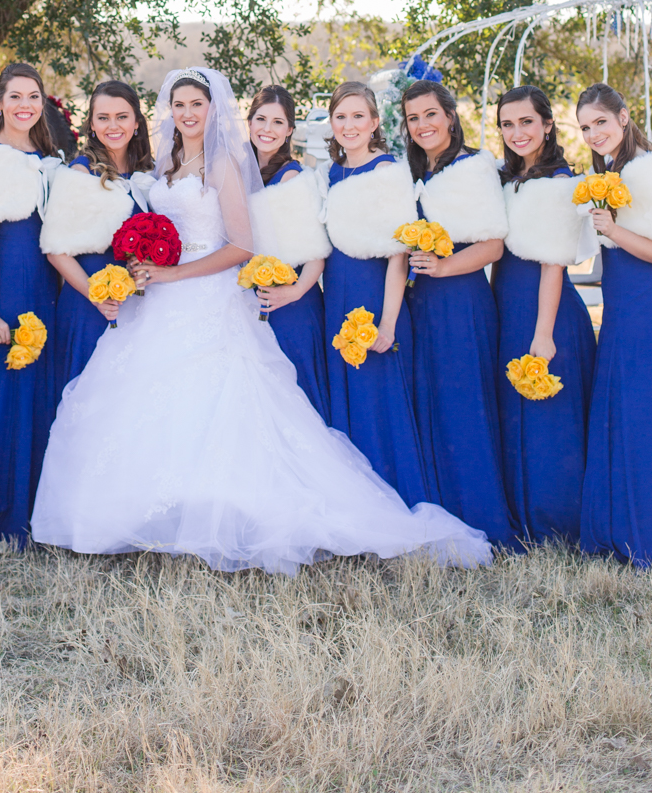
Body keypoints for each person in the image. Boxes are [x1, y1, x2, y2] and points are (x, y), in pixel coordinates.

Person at [30, 67, 491, 573]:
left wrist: (173, 274)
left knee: (223, 405)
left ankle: (227, 514)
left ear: (213, 111)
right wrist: (147, 264)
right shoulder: (163, 166)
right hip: (159, 298)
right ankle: (156, 513)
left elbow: (242, 246)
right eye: (179, 105)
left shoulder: (224, 164)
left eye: (196, 105)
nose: (187, 114)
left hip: (207, 294)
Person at [575, 83, 652, 568]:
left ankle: (649, 537)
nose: (593, 134)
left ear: (624, 117)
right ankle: (621, 529)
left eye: (601, 122)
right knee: (622, 418)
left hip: (650, 308)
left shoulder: (651, 166)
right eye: (585, 127)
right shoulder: (608, 171)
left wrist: (613, 229)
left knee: (644, 420)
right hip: (621, 309)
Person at [405, 77, 518, 549]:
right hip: (422, 303)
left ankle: (482, 519)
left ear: (450, 116)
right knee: (431, 406)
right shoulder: (417, 172)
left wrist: (445, 265)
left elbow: (494, 242)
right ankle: (442, 513)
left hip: (460, 300)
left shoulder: (473, 168)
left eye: (431, 114)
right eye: (413, 118)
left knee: (463, 407)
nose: (423, 125)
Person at [0, 62, 63, 546]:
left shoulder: (50, 157)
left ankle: (31, 513)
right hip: (6, 281)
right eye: (16, 97)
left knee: (34, 395)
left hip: (44, 281)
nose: (25, 105)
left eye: (34, 97)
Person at [492, 85, 596, 545]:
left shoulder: (559, 182)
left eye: (527, 122)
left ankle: (558, 523)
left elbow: (554, 263)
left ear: (548, 125)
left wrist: (544, 333)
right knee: (517, 416)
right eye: (507, 124)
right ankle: (524, 514)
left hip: (544, 313)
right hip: (508, 305)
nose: (517, 132)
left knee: (548, 421)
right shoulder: (509, 176)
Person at [321, 81, 429, 501]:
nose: (349, 125)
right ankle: (354, 503)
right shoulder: (329, 173)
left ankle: (394, 501)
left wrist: (387, 322)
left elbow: (397, 256)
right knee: (347, 398)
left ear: (375, 121)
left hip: (376, 298)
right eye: (341, 117)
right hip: (337, 299)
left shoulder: (387, 170)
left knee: (378, 404)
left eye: (358, 116)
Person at [41, 79, 153, 405]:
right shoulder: (80, 172)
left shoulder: (148, 173)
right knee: (88, 402)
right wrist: (96, 295)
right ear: (91, 123)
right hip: (88, 302)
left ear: (136, 122)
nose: (112, 125)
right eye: (103, 117)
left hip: (137, 303)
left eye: (122, 116)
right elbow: (55, 250)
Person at [245, 84, 331, 421]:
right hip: (252, 300)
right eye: (261, 119)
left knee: (297, 403)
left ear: (290, 131)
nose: (268, 129)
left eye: (278, 122)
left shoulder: (292, 177)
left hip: (291, 304)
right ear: (249, 122)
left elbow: (315, 254)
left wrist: (292, 292)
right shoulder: (237, 172)